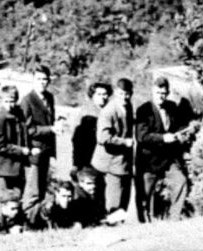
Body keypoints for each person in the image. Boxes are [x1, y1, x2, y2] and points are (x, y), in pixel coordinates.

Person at [135, 76, 191, 221]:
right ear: (152, 92)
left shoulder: (171, 107)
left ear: (167, 93)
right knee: (144, 194)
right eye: (158, 93)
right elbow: (142, 137)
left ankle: (174, 218)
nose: (161, 96)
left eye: (164, 93)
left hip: (168, 159)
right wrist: (163, 138)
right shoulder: (143, 110)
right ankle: (143, 223)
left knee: (181, 181)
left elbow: (179, 126)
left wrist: (183, 133)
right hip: (149, 160)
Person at [91, 78, 136, 216]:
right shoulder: (109, 111)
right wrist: (124, 142)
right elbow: (102, 138)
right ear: (116, 92)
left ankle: (120, 226)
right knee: (114, 202)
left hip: (124, 162)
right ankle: (113, 228)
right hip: (111, 163)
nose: (124, 97)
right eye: (121, 93)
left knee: (125, 199)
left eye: (127, 94)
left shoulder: (128, 107)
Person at [19, 67, 56, 214]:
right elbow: (27, 130)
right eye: (39, 79)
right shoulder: (27, 101)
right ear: (33, 80)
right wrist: (50, 129)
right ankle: (28, 217)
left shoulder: (50, 97)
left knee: (42, 187)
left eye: (45, 79)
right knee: (32, 189)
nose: (42, 82)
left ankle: (38, 219)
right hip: (34, 152)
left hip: (46, 150)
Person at [0, 87, 34, 196]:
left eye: (12, 101)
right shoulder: (0, 118)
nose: (10, 105)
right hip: (3, 167)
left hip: (16, 167)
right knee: (5, 199)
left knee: (17, 198)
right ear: (1, 101)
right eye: (6, 101)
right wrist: (21, 150)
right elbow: (0, 147)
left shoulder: (17, 115)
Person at [72, 83, 111, 176]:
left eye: (105, 94)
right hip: (88, 157)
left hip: (105, 158)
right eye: (99, 94)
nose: (102, 97)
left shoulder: (109, 110)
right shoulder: (86, 112)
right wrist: (76, 163)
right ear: (92, 96)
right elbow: (77, 139)